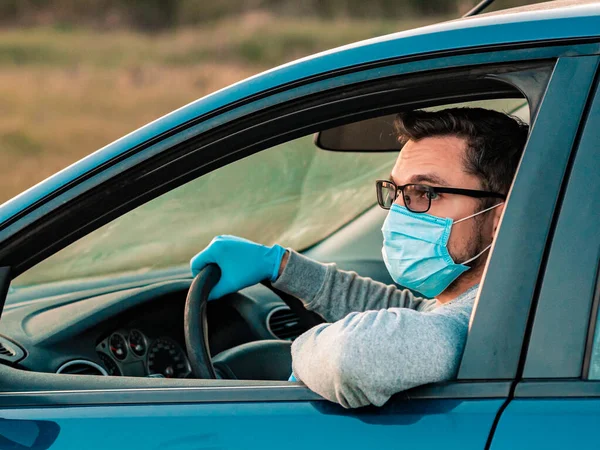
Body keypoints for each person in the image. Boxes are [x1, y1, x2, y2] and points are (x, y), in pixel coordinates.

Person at [190, 107, 528, 408]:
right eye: (397, 192)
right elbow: (412, 311)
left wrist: (295, 357)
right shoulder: (481, 300)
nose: (398, 212)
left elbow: (352, 356)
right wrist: (280, 265)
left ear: (500, 217)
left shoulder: (463, 329)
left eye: (425, 193)